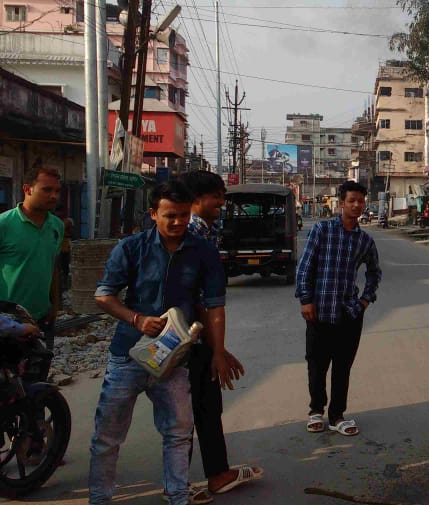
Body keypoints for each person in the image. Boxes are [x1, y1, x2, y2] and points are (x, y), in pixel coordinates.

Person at [89, 181, 227, 505]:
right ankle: (99, 499)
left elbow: (215, 305)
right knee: (107, 437)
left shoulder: (203, 251)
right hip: (128, 356)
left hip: (175, 359)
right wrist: (136, 319)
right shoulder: (131, 248)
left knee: (178, 434)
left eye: (182, 215)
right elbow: (103, 295)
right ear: (153, 214)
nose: (177, 222)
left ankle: (177, 496)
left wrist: (219, 351)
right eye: (169, 216)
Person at [180, 171, 262, 502]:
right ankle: (180, 484)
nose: (222, 203)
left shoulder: (205, 231)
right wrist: (217, 348)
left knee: (205, 407)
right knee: (187, 412)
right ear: (197, 199)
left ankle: (216, 473)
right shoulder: (192, 234)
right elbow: (201, 298)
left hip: (197, 336)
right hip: (187, 337)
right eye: (217, 196)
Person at [296, 180, 382, 436]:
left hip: (349, 314)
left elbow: (374, 273)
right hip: (319, 311)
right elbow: (305, 267)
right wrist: (305, 299)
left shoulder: (364, 240)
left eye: (360, 201)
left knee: (342, 368)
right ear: (341, 203)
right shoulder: (322, 230)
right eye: (352, 201)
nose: (357, 205)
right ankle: (315, 411)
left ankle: (337, 416)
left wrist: (365, 300)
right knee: (317, 366)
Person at [0, 165, 64, 365]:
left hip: (41, 318)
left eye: (57, 191)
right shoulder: (4, 224)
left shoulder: (57, 226)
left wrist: (54, 305)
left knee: (37, 377)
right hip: (7, 319)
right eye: (47, 190)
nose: (53, 196)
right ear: (27, 189)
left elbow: (53, 266)